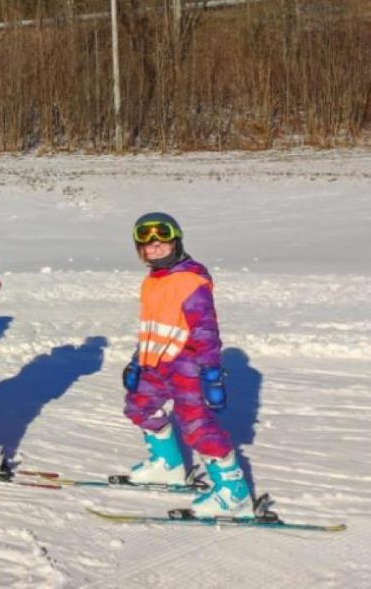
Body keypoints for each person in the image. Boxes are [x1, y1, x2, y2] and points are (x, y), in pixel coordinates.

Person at [122, 212, 254, 518]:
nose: (154, 249)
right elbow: (153, 323)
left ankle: (234, 492)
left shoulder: (190, 280)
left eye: (161, 243)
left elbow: (205, 330)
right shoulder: (152, 281)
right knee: (139, 406)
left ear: (176, 242)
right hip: (155, 362)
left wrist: (210, 374)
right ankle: (167, 466)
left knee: (197, 425)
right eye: (147, 246)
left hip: (187, 364)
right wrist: (136, 361)